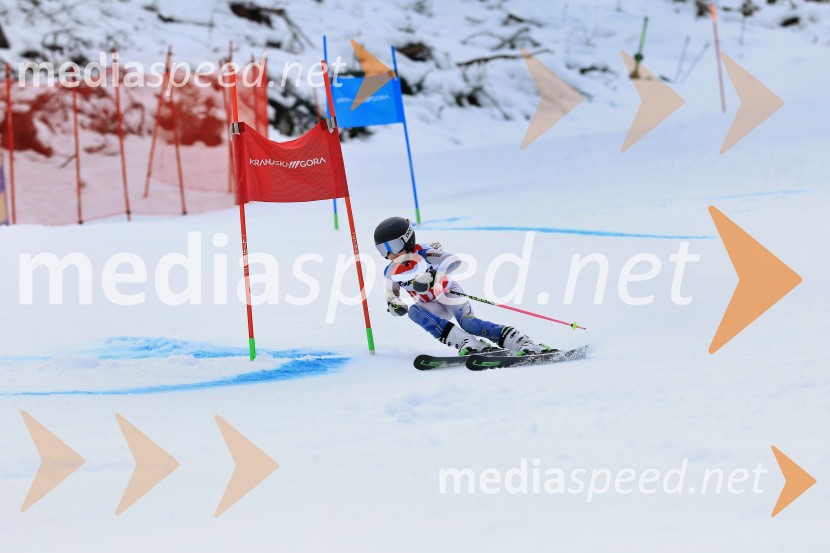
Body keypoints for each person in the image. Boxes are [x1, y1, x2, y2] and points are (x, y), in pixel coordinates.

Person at [374, 216, 547, 356]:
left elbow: (454, 260)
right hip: (430, 304)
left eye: (393, 246)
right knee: (415, 312)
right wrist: (394, 303)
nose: (389, 254)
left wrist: (433, 275)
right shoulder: (391, 271)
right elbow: (391, 292)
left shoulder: (425, 253)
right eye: (383, 249)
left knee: (469, 324)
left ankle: (521, 342)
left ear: (407, 240)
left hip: (450, 295)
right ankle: (468, 343)